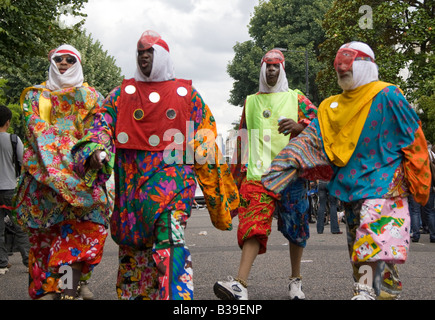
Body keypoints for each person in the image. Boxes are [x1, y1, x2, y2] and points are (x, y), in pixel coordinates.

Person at [71, 30, 239, 300]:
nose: (144, 57)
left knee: (171, 246)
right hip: (131, 193)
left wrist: (217, 194)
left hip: (172, 190)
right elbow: (100, 125)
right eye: (140, 52)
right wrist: (96, 150)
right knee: (134, 253)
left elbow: (205, 140)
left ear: (162, 56)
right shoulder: (120, 96)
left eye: (150, 52)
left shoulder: (188, 96)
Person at [262, 41, 431, 300]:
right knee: (359, 246)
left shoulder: (388, 95)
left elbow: (414, 139)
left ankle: (364, 290)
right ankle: (381, 285)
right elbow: (311, 139)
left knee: (370, 238)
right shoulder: (332, 106)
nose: (342, 72)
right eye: (339, 70)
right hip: (350, 188)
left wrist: (420, 184)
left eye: (347, 68)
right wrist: (286, 162)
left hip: (385, 186)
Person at [213, 49, 317, 300]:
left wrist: (299, 125)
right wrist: (236, 177)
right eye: (267, 66)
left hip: (291, 174)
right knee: (252, 227)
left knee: (297, 229)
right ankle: (240, 285)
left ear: (282, 70)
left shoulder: (298, 99)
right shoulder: (251, 102)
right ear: (262, 70)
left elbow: (319, 125)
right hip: (258, 176)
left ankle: (295, 282)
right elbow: (242, 139)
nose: (271, 70)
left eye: (275, 66)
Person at [13, 45, 112, 299]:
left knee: (83, 230)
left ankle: (72, 285)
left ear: (78, 63)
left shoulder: (92, 98)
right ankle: (53, 288)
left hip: (81, 179)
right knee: (45, 238)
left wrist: (93, 154)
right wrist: (68, 160)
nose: (64, 63)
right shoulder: (36, 97)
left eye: (70, 59)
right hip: (44, 180)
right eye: (59, 59)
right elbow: (37, 133)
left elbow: (97, 132)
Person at [0, 105, 30, 275]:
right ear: (8, 121)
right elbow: (24, 163)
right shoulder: (13, 139)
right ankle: (28, 261)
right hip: (10, 188)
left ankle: (2, 263)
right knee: (20, 227)